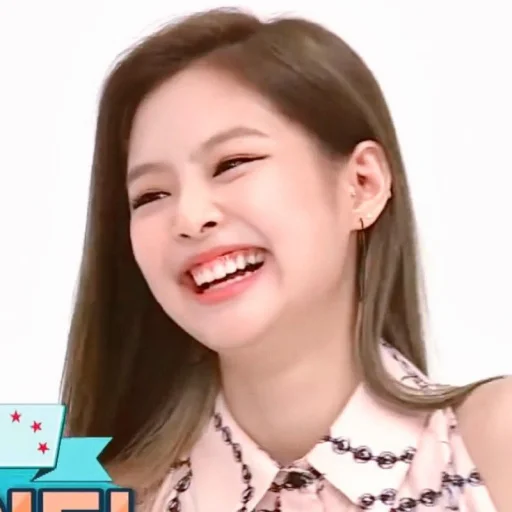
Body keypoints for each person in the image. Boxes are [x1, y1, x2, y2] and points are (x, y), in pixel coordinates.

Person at [60, 7, 511, 511]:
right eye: (150, 195)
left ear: (363, 184)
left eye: (232, 163)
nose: (189, 216)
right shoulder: (94, 499)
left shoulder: (491, 448)